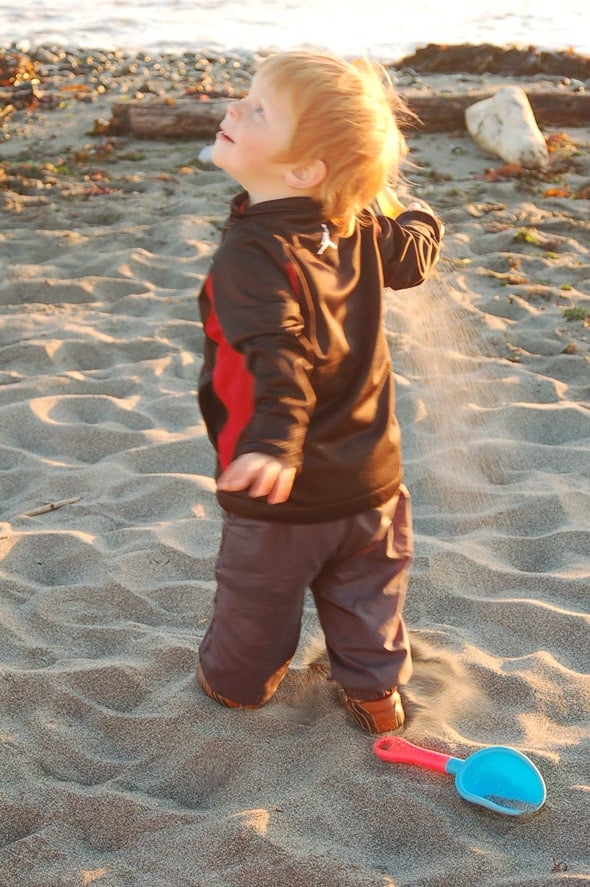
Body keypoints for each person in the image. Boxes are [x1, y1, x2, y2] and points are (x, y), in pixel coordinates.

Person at [196, 50, 444, 734]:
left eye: (257, 110)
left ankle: (238, 686)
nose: (232, 110)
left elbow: (282, 352)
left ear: (304, 169)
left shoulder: (250, 254)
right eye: (244, 99)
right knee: (368, 598)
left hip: (286, 493)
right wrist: (423, 222)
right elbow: (412, 255)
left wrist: (276, 441)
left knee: (256, 602)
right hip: (374, 483)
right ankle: (375, 698)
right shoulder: (359, 225)